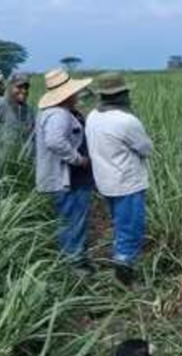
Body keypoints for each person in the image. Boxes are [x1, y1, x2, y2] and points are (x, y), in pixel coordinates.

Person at [86, 73, 153, 286]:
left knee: (120, 225)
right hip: (127, 184)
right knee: (131, 229)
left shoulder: (92, 117)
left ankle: (121, 262)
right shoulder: (126, 121)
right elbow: (146, 148)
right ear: (121, 95)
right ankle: (126, 277)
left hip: (105, 183)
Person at [34, 68, 95, 274]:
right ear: (67, 93)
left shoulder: (56, 112)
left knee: (71, 220)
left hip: (69, 178)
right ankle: (74, 264)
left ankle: (76, 259)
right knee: (73, 221)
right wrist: (78, 159)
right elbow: (54, 141)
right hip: (68, 180)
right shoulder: (58, 114)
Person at [0, 73, 36, 158]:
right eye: (19, 87)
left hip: (23, 165)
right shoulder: (2, 104)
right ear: (10, 87)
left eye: (26, 88)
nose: (24, 91)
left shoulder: (30, 111)